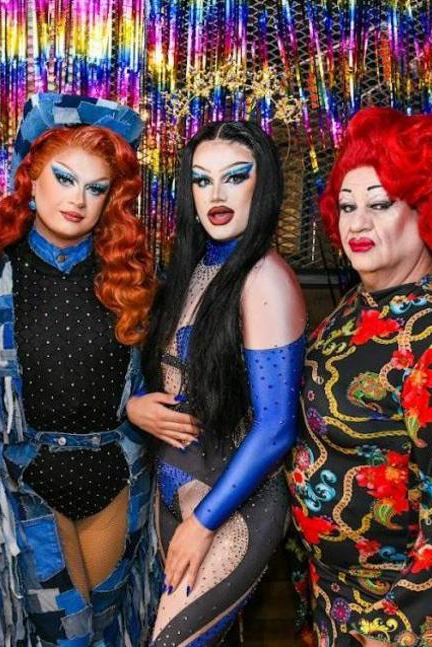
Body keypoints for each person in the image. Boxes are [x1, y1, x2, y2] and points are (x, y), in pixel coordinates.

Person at [291, 107, 432, 647]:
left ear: (429, 211)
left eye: (379, 204)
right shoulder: (357, 304)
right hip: (334, 595)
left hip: (399, 614)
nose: (356, 223)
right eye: (346, 206)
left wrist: (388, 627)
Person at [0, 94, 159, 646]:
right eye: (65, 178)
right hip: (25, 483)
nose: (78, 199)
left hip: (115, 477)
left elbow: (154, 379)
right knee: (59, 636)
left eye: (96, 187)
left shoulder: (129, 277)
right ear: (32, 178)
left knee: (109, 632)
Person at [131, 121, 306, 645]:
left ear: (264, 184)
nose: (217, 195)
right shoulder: (192, 265)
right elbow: (166, 375)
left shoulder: (265, 278)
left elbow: (276, 427)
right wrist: (136, 406)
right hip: (173, 489)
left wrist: (203, 523)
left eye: (234, 177)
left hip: (231, 507)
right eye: (202, 180)